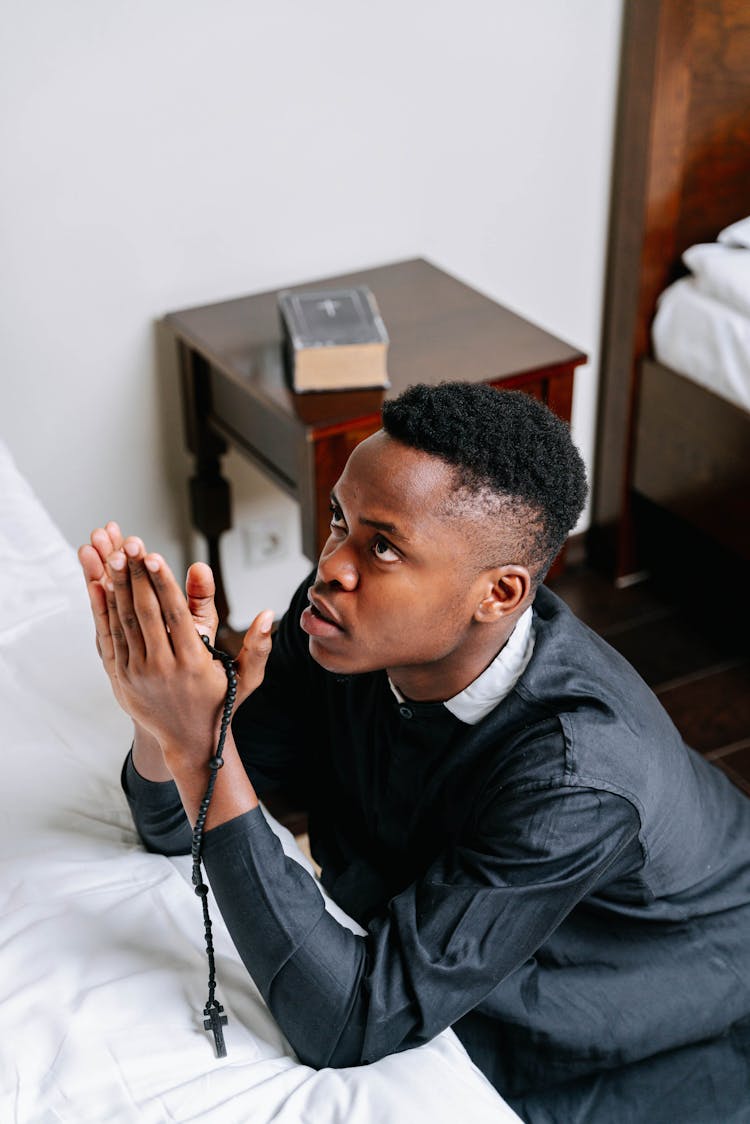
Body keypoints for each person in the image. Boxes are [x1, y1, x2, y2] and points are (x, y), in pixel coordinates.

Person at [79, 383, 750, 1123]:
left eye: (384, 546)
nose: (332, 563)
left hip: (652, 960)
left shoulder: (577, 778)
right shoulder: (336, 615)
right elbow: (175, 825)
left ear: (498, 593)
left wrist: (202, 745)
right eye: (340, 519)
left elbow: (346, 1021)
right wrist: (164, 710)